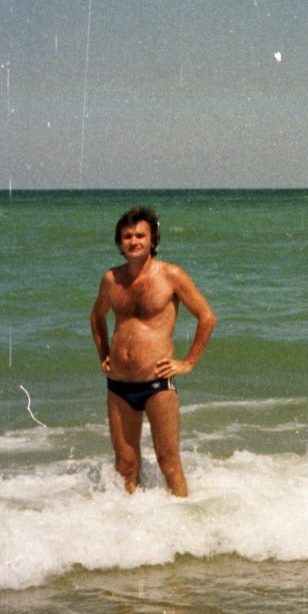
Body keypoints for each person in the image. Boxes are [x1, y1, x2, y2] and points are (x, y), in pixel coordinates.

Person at [90, 205, 216, 497]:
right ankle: (132, 531)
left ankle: (183, 528)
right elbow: (97, 317)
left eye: (140, 236)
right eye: (127, 236)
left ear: (153, 240)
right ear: (120, 242)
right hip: (119, 385)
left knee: (168, 462)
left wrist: (187, 362)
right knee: (125, 464)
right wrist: (104, 354)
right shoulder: (112, 279)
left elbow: (207, 317)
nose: (133, 241)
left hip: (157, 383)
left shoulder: (171, 275)